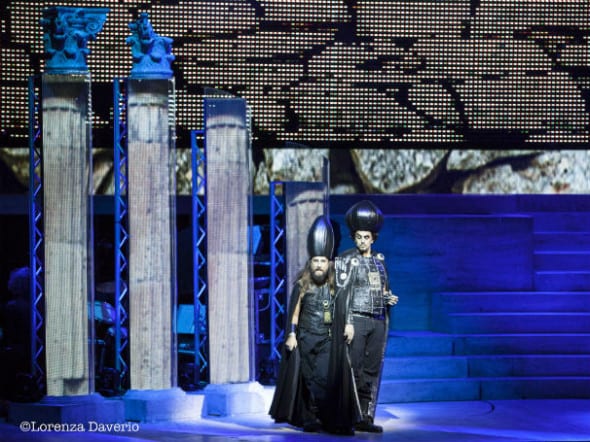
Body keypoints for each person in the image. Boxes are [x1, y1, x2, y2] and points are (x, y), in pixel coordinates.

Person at [332, 200, 398, 433]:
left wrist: (388, 298)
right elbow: (341, 294)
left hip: (377, 320)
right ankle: (347, 415)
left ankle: (365, 416)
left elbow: (382, 289)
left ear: (373, 238)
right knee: (353, 367)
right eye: (358, 237)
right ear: (354, 237)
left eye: (366, 237)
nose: (362, 241)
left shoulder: (380, 262)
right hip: (357, 319)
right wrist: (348, 321)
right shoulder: (345, 260)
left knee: (372, 369)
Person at [269, 215, 335, 432]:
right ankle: (309, 417)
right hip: (306, 338)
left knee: (324, 378)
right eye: (316, 261)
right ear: (310, 263)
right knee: (308, 379)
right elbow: (295, 312)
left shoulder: (334, 286)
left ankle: (326, 416)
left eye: (322, 261)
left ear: (328, 263)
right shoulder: (302, 285)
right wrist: (291, 333)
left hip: (327, 339)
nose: (319, 265)